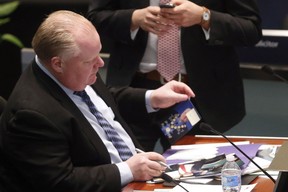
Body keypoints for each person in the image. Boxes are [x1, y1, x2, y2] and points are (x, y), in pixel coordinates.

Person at [0, 10, 195, 192]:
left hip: (137, 185)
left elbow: (102, 99)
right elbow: (62, 184)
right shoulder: (31, 113)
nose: (100, 64)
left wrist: (152, 97)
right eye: (90, 60)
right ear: (58, 63)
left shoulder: (73, 69)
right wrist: (129, 170)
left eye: (98, 54)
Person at [87, 0, 263, 151]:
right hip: (135, 90)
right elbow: (93, 19)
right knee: (129, 170)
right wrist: (133, 19)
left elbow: (250, 29)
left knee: (193, 175)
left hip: (194, 95)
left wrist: (204, 17)